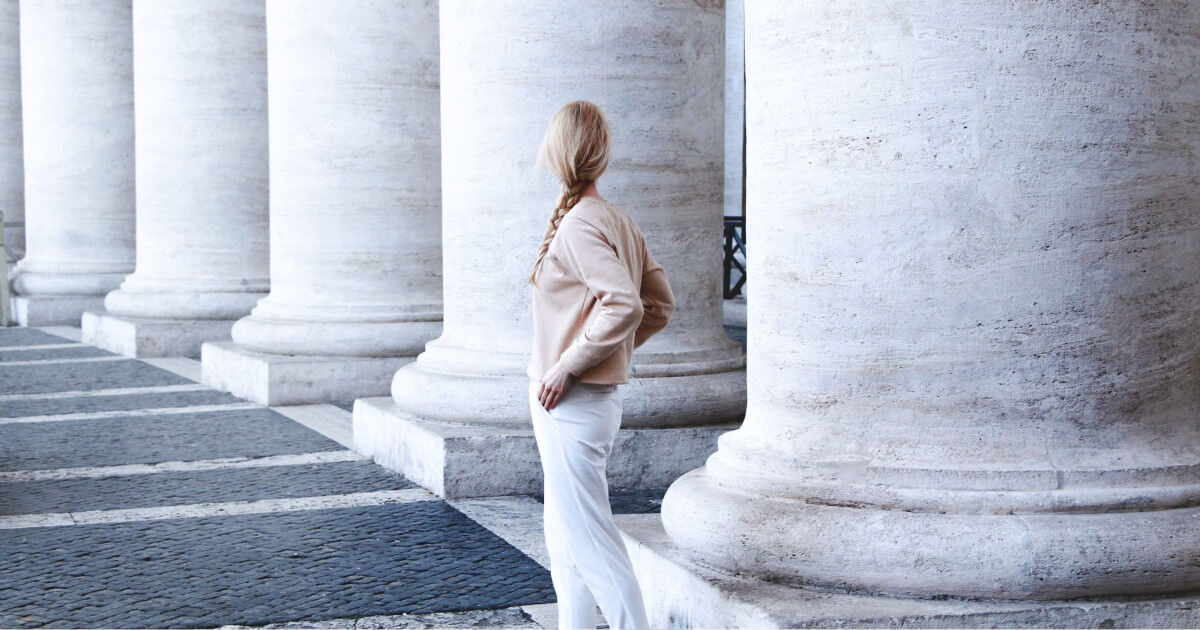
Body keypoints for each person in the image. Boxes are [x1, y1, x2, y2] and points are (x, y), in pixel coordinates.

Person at [526, 99, 675, 630]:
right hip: (575, 400)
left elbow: (628, 305)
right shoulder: (617, 221)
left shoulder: (580, 226)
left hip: (570, 399)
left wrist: (571, 363)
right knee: (565, 537)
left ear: (556, 155)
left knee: (591, 542)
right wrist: (611, 353)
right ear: (601, 157)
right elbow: (660, 305)